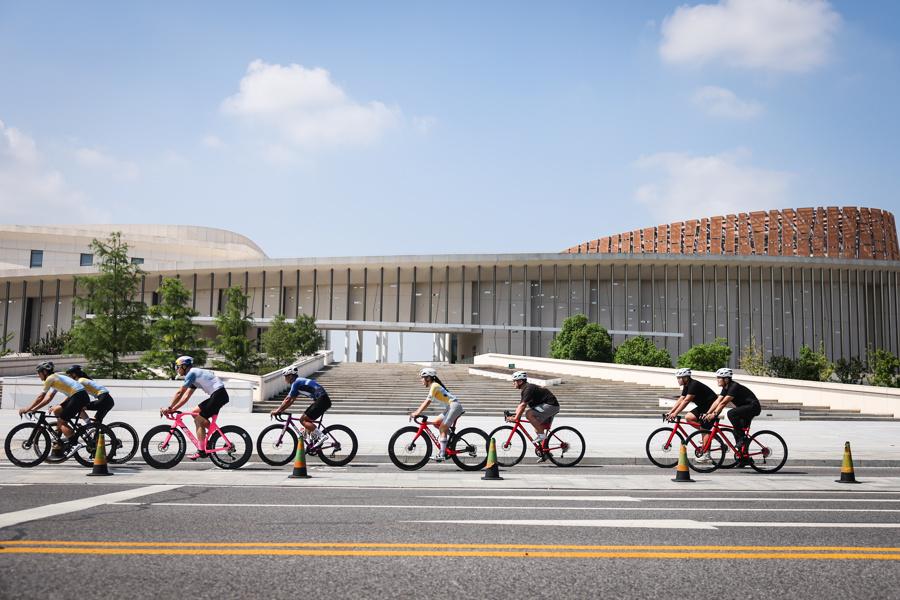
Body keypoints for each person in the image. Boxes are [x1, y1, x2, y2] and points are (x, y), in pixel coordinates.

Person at [161, 356, 229, 460]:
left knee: (198, 420)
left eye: (178, 367)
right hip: (218, 395)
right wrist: (173, 409)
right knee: (194, 412)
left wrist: (169, 407)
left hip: (219, 395)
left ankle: (201, 451)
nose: (176, 369)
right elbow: (186, 397)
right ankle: (213, 435)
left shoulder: (192, 373)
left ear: (184, 366)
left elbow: (180, 393)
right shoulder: (194, 375)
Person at [18, 361, 91, 453]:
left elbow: (41, 397)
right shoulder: (55, 379)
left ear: (44, 372)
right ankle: (59, 440)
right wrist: (34, 409)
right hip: (77, 396)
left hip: (78, 397)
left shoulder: (50, 379)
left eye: (39, 372)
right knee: (57, 410)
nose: (38, 375)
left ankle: (74, 443)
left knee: (61, 421)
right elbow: (48, 398)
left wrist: (29, 409)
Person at [703, 367, 761, 467]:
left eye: (719, 378)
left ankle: (742, 440)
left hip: (753, 407)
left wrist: (714, 414)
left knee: (731, 413)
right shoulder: (725, 388)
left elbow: (723, 403)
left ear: (726, 379)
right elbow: (717, 401)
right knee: (738, 431)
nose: (717, 380)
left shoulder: (734, 387)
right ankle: (744, 458)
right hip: (744, 408)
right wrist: (707, 413)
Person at [506, 371, 560, 462]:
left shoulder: (528, 389)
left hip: (551, 405)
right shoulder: (526, 390)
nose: (513, 383)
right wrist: (515, 415)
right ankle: (546, 453)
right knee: (538, 428)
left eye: (514, 381)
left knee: (529, 414)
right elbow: (520, 406)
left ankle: (542, 436)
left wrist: (515, 418)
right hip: (548, 405)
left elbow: (523, 406)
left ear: (520, 381)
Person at [666, 367, 718, 462]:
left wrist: (675, 413)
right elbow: (681, 399)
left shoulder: (693, 385)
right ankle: (709, 434)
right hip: (703, 406)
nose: (678, 379)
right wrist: (671, 412)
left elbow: (686, 401)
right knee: (689, 417)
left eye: (679, 378)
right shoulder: (687, 385)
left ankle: (706, 455)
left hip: (711, 406)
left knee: (704, 428)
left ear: (685, 378)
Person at [410, 367, 462, 461]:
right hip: (450, 407)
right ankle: (452, 438)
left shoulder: (434, 386)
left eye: (422, 377)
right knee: (436, 422)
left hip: (454, 406)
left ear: (428, 378)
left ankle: (442, 454)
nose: (421, 380)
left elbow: (427, 402)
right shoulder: (434, 386)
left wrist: (417, 412)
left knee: (442, 428)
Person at [270, 366, 332, 445]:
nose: (284, 378)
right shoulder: (298, 382)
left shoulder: (296, 383)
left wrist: (278, 411)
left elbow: (288, 400)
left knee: (303, 420)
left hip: (322, 400)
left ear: (290, 376)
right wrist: (281, 410)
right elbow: (291, 400)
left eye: (285, 376)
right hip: (322, 400)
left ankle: (321, 436)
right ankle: (312, 442)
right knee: (307, 420)